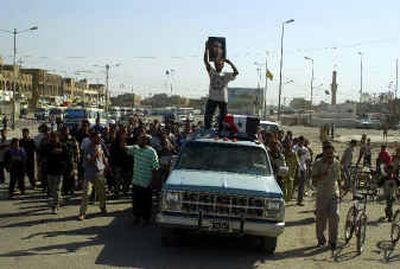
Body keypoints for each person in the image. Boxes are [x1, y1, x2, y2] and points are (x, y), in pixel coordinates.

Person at [312, 142, 341, 251]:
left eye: (331, 153)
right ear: (323, 153)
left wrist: (341, 191)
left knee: (335, 217)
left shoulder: (337, 163)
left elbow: (338, 178)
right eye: (327, 153)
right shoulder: (317, 164)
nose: (329, 155)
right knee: (321, 219)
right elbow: (313, 180)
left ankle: (333, 241)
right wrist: (322, 175)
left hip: (334, 194)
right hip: (322, 195)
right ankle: (321, 239)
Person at [203, 42, 239, 132]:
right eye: (216, 64)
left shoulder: (226, 75)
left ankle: (221, 131)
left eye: (220, 64)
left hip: (222, 99)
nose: (218, 65)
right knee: (208, 116)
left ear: (223, 65)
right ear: (214, 65)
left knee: (223, 119)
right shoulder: (212, 72)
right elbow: (205, 61)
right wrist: (206, 49)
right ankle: (207, 129)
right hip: (212, 98)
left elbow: (236, 72)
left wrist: (229, 62)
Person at [126, 134, 159, 225]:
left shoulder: (152, 152)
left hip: (146, 182)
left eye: (141, 140)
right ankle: (137, 217)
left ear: (146, 141)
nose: (139, 141)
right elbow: (124, 148)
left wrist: (153, 181)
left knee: (146, 202)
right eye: (139, 140)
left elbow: (155, 167)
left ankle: (146, 219)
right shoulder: (135, 149)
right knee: (136, 201)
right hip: (136, 180)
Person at [79, 132, 108, 220]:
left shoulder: (100, 146)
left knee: (102, 192)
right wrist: (95, 155)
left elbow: (103, 157)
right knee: (86, 193)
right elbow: (89, 161)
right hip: (89, 174)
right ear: (92, 139)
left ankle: (103, 207)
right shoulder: (88, 148)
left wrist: (106, 165)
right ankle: (82, 212)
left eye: (100, 138)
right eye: (97, 138)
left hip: (99, 172)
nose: (99, 139)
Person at [43, 132, 68, 214]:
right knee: (52, 189)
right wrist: (52, 152)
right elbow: (44, 156)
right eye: (52, 137)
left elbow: (67, 157)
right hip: (50, 170)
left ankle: (55, 205)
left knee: (57, 188)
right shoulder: (47, 146)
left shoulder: (63, 146)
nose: (53, 139)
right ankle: (58, 199)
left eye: (55, 137)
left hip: (59, 170)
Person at [60, 127, 80, 196]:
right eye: (64, 131)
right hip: (63, 161)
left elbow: (77, 150)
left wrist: (77, 159)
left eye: (67, 131)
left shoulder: (72, 139)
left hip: (71, 160)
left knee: (72, 176)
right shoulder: (60, 140)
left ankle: (72, 190)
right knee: (65, 176)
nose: (66, 132)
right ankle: (65, 190)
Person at [293, 136, 311, 206]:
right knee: (294, 183)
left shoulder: (305, 149)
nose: (301, 142)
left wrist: (308, 168)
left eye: (302, 141)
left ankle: (299, 200)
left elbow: (308, 159)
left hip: (303, 168)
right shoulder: (295, 148)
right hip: (296, 168)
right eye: (300, 141)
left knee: (302, 185)